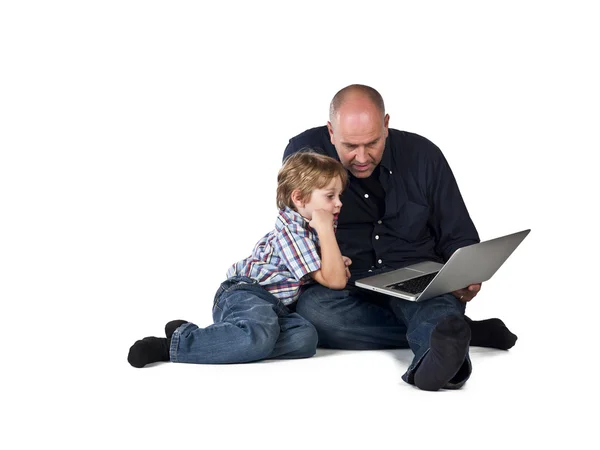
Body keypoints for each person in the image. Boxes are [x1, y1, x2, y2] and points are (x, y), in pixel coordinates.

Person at [283, 84, 517, 390]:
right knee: (314, 311)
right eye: (350, 146)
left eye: (372, 143)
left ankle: (438, 363)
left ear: (386, 124)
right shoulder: (305, 154)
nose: (362, 157)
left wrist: (468, 275)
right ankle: (454, 330)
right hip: (345, 283)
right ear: (330, 131)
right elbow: (291, 225)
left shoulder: (424, 155)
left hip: (416, 275)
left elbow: (457, 232)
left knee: (434, 302)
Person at [127, 151, 351, 368]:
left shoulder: (311, 228)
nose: (339, 203)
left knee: (305, 338)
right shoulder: (292, 230)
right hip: (246, 293)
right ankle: (172, 345)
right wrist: (326, 232)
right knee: (258, 337)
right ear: (299, 198)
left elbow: (331, 273)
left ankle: (209, 338)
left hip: (275, 307)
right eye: (330, 196)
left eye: (339, 195)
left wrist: (337, 263)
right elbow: (335, 281)